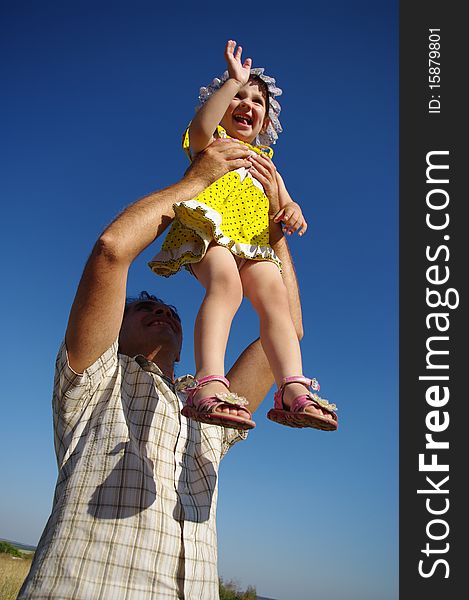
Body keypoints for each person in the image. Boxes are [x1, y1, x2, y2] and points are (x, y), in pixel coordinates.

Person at [18, 139, 303, 599]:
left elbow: (287, 331)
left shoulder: (214, 404)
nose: (163, 311)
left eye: (171, 311)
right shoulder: (94, 379)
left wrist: (271, 232)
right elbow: (112, 250)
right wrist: (197, 181)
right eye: (144, 307)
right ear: (114, 325)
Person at [149, 40, 337, 431]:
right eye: (239, 96)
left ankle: (291, 387)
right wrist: (231, 82)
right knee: (227, 288)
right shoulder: (212, 143)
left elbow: (285, 203)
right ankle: (209, 382)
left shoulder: (266, 163)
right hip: (211, 231)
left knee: (277, 301)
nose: (246, 103)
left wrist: (292, 210)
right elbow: (200, 127)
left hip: (254, 241)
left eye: (256, 100)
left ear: (266, 122)